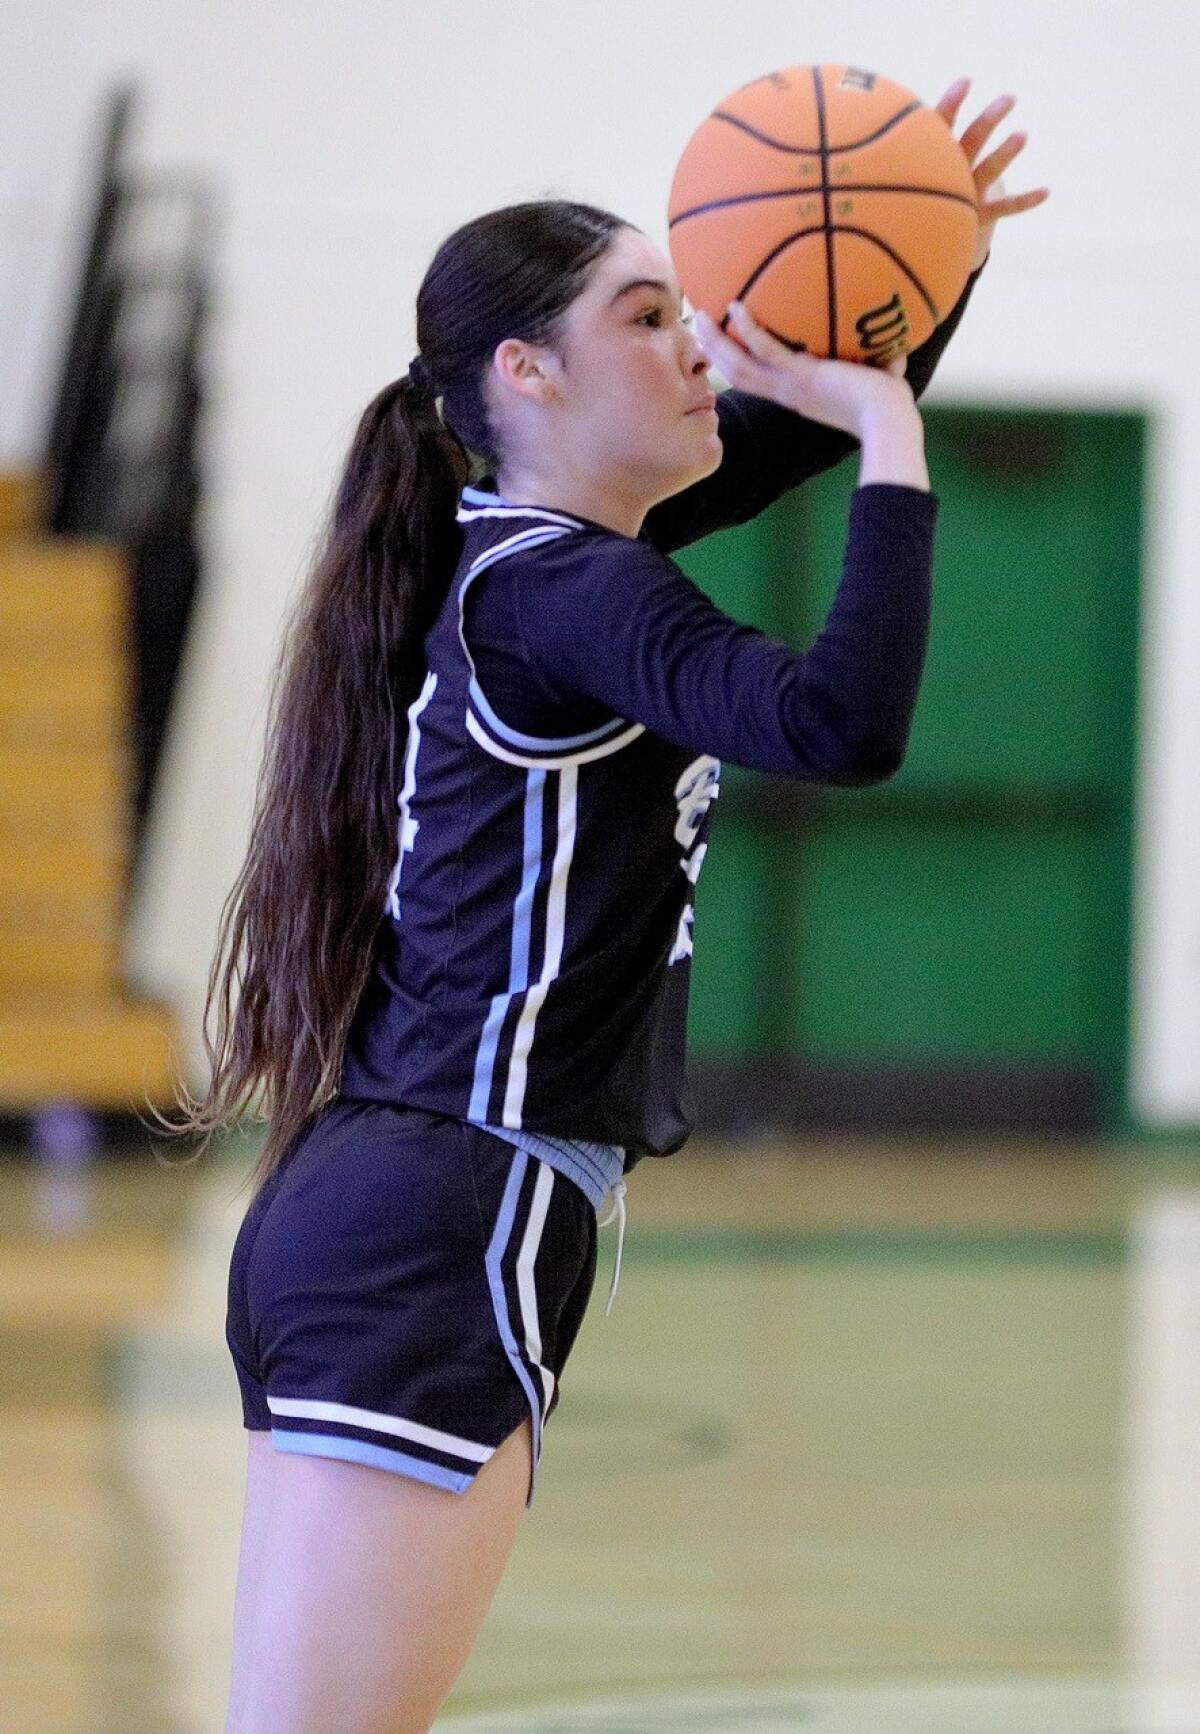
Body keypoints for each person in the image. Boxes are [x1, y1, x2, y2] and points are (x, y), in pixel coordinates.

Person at [161, 74, 1046, 1734]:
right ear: (527, 374)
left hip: (391, 1201)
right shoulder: (567, 590)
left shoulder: (522, 548)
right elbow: (838, 724)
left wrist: (925, 271)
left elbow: (773, 427)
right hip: (442, 1213)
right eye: (652, 315)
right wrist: (900, 443)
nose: (700, 344)